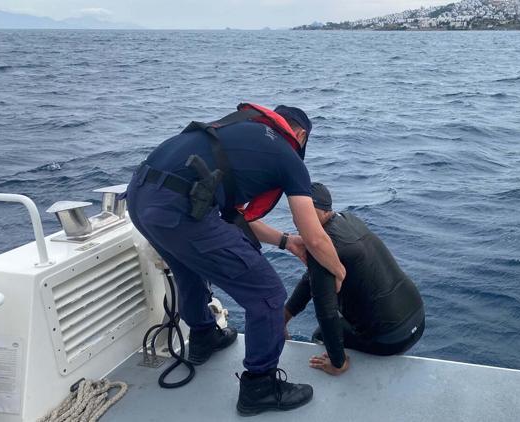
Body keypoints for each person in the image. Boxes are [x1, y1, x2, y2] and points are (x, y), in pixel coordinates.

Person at [125, 103, 346, 416]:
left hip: (139, 197)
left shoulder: (237, 132)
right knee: (267, 294)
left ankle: (203, 337)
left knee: (186, 266)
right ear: (299, 134)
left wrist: (285, 242)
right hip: (177, 209)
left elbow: (235, 217)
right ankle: (260, 386)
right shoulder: (287, 154)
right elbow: (314, 236)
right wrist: (338, 269)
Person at [284, 182, 425, 376]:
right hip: (417, 317)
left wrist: (338, 362)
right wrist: (284, 317)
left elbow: (327, 313)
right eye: (295, 211)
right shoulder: (349, 219)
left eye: (302, 212)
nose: (296, 219)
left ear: (320, 210)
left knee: (321, 334)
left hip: (391, 339)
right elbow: (311, 279)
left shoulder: (321, 247)